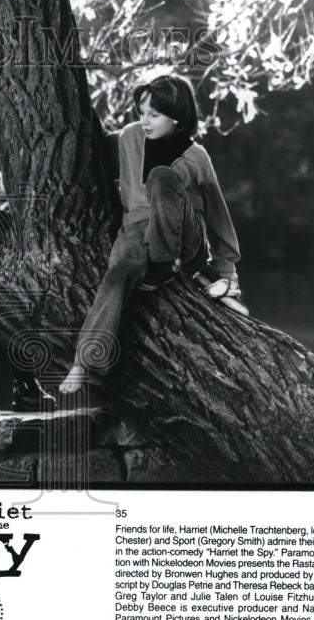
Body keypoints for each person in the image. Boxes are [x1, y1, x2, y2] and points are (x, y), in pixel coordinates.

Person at [59, 74, 247, 394]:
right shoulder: (130, 137)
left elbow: (217, 215)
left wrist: (229, 273)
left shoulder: (196, 156)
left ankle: (169, 266)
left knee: (161, 176)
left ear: (177, 116)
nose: (144, 120)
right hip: (135, 231)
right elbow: (90, 141)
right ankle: (85, 362)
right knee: (116, 274)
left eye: (153, 114)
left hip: (184, 237)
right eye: (141, 112)